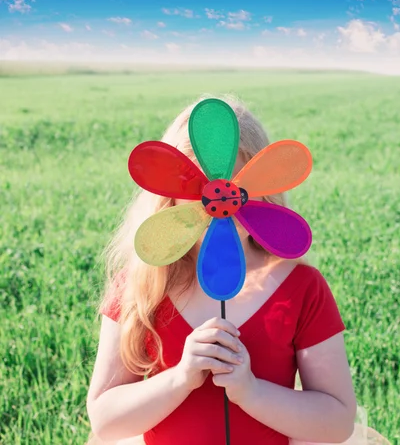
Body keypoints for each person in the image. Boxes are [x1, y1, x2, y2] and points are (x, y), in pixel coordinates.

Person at [86, 94, 368, 445]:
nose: (219, 201)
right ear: (168, 195)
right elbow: (105, 422)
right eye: (197, 187)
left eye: (238, 187)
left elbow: (337, 420)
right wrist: (181, 378)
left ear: (268, 189)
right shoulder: (140, 286)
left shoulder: (301, 288)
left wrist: (250, 392)